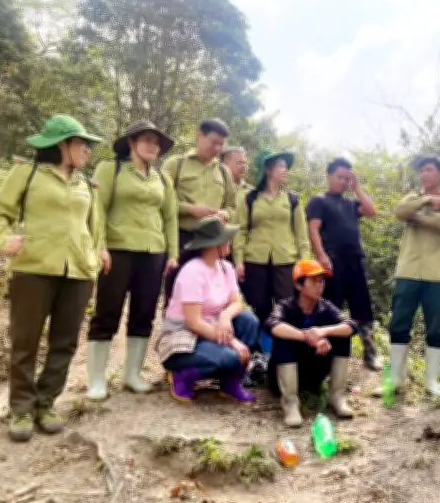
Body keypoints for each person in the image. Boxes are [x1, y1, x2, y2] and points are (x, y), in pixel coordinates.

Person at [0, 115, 102, 442]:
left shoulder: (86, 184)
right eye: (81, 143)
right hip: (34, 268)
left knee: (65, 342)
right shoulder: (26, 173)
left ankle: (46, 403)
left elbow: (95, 227)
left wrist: (96, 256)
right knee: (26, 341)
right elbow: (0, 211)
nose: (87, 149)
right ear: (61, 144)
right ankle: (22, 409)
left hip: (78, 272)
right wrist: (2, 239)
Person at [86, 121, 179, 401]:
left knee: (144, 313)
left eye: (157, 142)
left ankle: (132, 375)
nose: (153, 146)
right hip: (117, 250)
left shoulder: (162, 179)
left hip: (153, 253)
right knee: (107, 311)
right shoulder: (110, 169)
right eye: (148, 139)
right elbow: (97, 210)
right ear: (131, 142)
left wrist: (172, 253)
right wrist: (99, 246)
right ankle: (97, 379)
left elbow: (170, 217)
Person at [155, 216, 260, 404]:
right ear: (215, 244)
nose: (230, 242)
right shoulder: (192, 272)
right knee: (229, 356)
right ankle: (182, 375)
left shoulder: (225, 267)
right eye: (226, 239)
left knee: (249, 321)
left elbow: (237, 302)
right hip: (185, 336)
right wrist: (233, 342)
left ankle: (230, 382)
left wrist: (225, 316)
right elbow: (194, 323)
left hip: (211, 327)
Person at [385, 155, 440, 397]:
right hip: (408, 271)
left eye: (429, 170)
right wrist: (427, 201)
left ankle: (432, 383)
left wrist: (417, 216)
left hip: (438, 274)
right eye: (421, 171)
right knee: (399, 323)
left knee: (435, 328)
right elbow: (399, 211)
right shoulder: (414, 197)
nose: (424, 174)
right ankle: (396, 379)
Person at [306, 157, 382, 370]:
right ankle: (326, 354)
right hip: (332, 261)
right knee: (332, 306)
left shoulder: (351, 202)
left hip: (355, 261)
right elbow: (313, 229)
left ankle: (370, 352)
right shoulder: (319, 201)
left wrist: (357, 187)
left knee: (363, 307)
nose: (343, 181)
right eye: (339, 177)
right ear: (329, 176)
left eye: (346, 178)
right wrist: (321, 255)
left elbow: (371, 210)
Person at [264, 259, 357, 427]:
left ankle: (337, 397)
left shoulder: (325, 307)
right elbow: (274, 325)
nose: (319, 285)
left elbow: (350, 326)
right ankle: (291, 403)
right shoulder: (285, 306)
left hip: (313, 372)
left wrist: (322, 332)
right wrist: (309, 338)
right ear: (299, 285)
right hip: (285, 376)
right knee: (284, 341)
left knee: (342, 336)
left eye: (321, 281)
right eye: (314, 281)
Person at [162, 118, 236, 304]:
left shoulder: (223, 171)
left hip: (212, 242)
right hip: (183, 238)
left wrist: (223, 214)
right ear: (200, 136)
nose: (218, 148)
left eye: (221, 144)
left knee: (210, 296)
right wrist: (190, 210)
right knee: (176, 293)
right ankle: (174, 331)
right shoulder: (176, 164)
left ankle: (205, 331)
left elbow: (231, 207)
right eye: (214, 142)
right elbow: (161, 202)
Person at [234, 148, 310, 326]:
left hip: (286, 261)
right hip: (255, 261)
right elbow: (241, 231)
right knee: (258, 306)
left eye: (286, 166)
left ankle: (287, 349)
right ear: (268, 170)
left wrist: (305, 264)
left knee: (288, 306)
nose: (285, 170)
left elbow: (302, 235)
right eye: (281, 166)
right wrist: (238, 261)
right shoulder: (250, 198)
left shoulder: (292, 200)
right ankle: (261, 350)